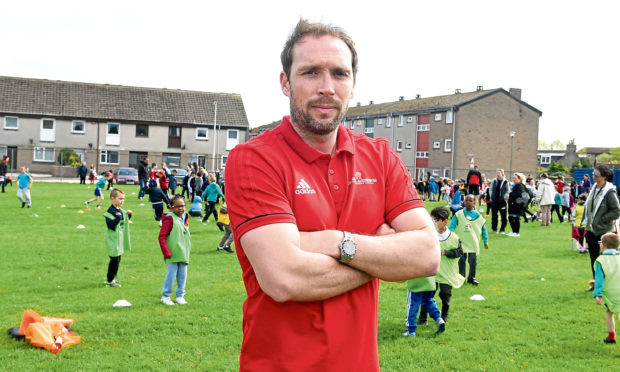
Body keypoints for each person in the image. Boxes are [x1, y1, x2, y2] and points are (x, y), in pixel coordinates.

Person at [225, 19, 439, 371]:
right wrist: (382, 258)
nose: (327, 87)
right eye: (311, 72)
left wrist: (335, 242)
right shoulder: (254, 158)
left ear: (353, 84)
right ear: (285, 82)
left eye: (339, 74)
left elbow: (427, 255)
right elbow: (284, 278)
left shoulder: (380, 156)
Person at [418, 206, 464, 325]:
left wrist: (446, 252)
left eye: (436, 220)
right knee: (428, 295)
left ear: (445, 221)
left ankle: (445, 314)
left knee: (445, 294)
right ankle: (423, 318)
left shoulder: (454, 238)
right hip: (431, 272)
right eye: (432, 220)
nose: (434, 223)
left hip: (447, 272)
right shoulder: (429, 236)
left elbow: (459, 252)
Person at [582, 165, 620, 290]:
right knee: (594, 259)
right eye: (593, 174)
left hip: (604, 231)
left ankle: (608, 285)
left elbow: (616, 211)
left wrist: (600, 221)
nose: (593, 176)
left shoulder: (609, 191)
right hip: (591, 230)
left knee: (607, 260)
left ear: (603, 177)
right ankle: (596, 284)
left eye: (596, 175)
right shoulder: (593, 188)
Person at [158, 195, 191, 306]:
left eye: (182, 206)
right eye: (177, 206)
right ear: (171, 207)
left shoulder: (185, 217)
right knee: (171, 275)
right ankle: (165, 296)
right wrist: (166, 252)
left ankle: (180, 296)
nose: (181, 208)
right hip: (172, 254)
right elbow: (162, 237)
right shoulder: (169, 218)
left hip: (183, 253)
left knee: (183, 276)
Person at [450, 194, 489, 285]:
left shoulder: (477, 215)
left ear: (474, 203)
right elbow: (452, 227)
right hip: (461, 242)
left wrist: (485, 241)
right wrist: (449, 237)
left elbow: (484, 229)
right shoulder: (458, 214)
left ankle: (472, 278)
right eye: (466, 200)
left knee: (472, 261)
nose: (467, 202)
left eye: (470, 200)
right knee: (461, 260)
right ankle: (461, 278)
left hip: (473, 242)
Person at [593, 232, 620, 343]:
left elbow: (600, 279)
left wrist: (597, 294)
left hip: (611, 293)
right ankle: (611, 337)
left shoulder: (601, 260)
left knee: (610, 311)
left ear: (602, 245)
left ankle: (612, 336)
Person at [402, 270, 446, 337]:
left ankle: (411, 330)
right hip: (429, 281)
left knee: (413, 305)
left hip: (416, 282)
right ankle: (438, 319)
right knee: (428, 301)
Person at [103, 189, 132, 287]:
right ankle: (110, 280)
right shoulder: (111, 211)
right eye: (120, 199)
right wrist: (118, 218)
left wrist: (129, 215)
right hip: (112, 239)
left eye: (123, 199)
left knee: (118, 259)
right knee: (114, 259)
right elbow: (110, 225)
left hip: (118, 240)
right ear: (112, 198)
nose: (122, 201)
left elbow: (123, 222)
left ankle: (113, 278)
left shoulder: (120, 211)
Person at [507, 173, 529, 237]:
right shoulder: (516, 185)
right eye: (513, 178)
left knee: (515, 218)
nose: (513, 179)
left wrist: (511, 193)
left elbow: (519, 193)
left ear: (519, 179)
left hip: (517, 205)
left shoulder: (520, 185)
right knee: (511, 217)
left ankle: (516, 233)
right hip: (514, 204)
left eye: (515, 178)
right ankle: (514, 231)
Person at [489, 168, 509, 233]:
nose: (497, 174)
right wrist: (491, 196)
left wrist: (504, 197)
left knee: (503, 216)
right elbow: (490, 189)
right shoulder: (494, 181)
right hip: (494, 201)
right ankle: (494, 229)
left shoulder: (506, 181)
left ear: (502, 174)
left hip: (502, 202)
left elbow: (507, 191)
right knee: (494, 216)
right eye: (497, 173)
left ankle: (502, 229)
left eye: (499, 173)